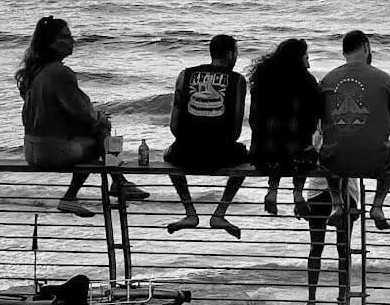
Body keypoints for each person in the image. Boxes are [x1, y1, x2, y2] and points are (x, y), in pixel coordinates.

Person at [16, 15, 147, 218]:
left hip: (31, 149)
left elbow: (54, 113)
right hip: (52, 152)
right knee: (101, 133)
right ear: (51, 43)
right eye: (66, 37)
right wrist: (101, 119)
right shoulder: (60, 73)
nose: (72, 41)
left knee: (96, 131)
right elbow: (83, 114)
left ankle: (118, 183)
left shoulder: (34, 72)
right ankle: (91, 190)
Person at [164, 34, 250, 238]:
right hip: (221, 153)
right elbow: (236, 128)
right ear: (230, 54)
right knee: (245, 160)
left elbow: (174, 123)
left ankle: (190, 212)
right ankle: (220, 213)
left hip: (185, 153)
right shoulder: (238, 80)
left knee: (168, 155)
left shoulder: (185, 75)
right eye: (236, 53)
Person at [316, 30, 390, 230]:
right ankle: (378, 206)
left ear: (344, 52)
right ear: (366, 47)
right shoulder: (385, 79)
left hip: (335, 161)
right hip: (375, 160)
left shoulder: (327, 80)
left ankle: (337, 203)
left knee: (326, 150)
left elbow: (321, 124)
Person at [248, 38, 321, 218]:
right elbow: (313, 119)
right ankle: (297, 192)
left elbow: (254, 119)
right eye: (306, 58)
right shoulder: (307, 82)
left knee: (276, 149)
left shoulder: (262, 79)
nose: (309, 64)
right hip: (297, 155)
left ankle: (272, 190)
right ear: (298, 59)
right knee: (303, 149)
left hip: (263, 155)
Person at [298, 177, 360, 305]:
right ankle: (311, 300)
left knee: (343, 249)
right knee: (316, 247)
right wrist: (298, 196)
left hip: (346, 191)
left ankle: (342, 299)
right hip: (318, 192)